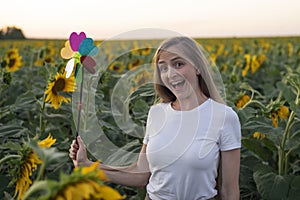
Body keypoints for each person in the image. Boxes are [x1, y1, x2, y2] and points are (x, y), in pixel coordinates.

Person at [69, 36, 241, 200]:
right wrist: (87, 165)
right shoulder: (157, 113)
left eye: (178, 64)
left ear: (197, 67)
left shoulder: (224, 117)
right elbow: (141, 174)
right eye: (163, 67)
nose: (170, 74)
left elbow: (229, 190)